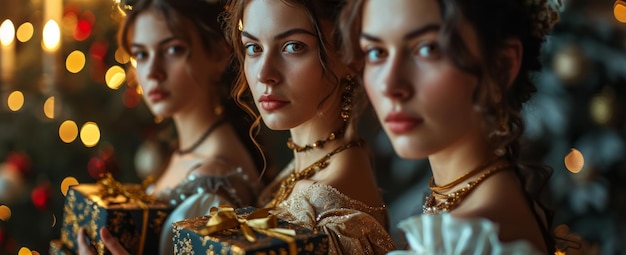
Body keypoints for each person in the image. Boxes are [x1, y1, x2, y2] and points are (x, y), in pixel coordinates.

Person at [340, 0, 563, 254]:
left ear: (501, 67)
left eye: (428, 48)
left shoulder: (467, 240)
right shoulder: (485, 207)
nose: (389, 86)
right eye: (376, 52)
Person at [76, 0, 262, 254]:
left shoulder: (214, 185)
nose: (152, 71)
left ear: (219, 54)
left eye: (173, 49)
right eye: (141, 54)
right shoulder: (188, 150)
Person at [222, 0, 396, 253]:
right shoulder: (310, 165)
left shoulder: (330, 200)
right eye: (254, 47)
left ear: (348, 54)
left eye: (294, 46)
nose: (264, 74)